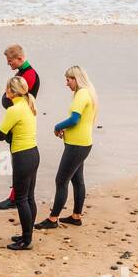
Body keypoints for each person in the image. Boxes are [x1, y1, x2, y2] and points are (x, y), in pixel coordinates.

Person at [36, 66, 98, 230]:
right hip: (83, 143)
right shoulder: (88, 93)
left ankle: (52, 219)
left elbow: (75, 119)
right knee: (77, 180)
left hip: (77, 146)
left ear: (76, 79)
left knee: (61, 180)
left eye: (68, 79)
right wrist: (65, 129)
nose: (66, 83)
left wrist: (58, 126)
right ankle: (76, 216)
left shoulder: (81, 94)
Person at [0, 45, 40, 210]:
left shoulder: (29, 74)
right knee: (17, 162)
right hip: (18, 118)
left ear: (19, 58)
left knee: (19, 163)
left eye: (10, 61)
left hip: (20, 121)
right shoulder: (22, 72)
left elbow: (21, 94)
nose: (8, 64)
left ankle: (15, 197)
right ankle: (16, 195)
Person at [0, 76, 39, 250]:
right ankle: (27, 234)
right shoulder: (28, 104)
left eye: (6, 89)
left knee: (21, 199)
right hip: (33, 153)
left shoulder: (14, 110)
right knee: (29, 197)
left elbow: (0, 134)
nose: (5, 92)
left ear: (11, 92)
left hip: (22, 156)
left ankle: (26, 240)